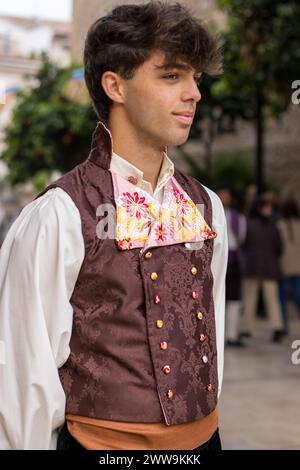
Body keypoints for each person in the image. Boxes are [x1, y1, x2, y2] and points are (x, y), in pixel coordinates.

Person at [0, 1, 228, 450]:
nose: (194, 93)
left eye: (195, 79)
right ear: (115, 85)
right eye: (171, 75)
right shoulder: (61, 214)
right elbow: (23, 380)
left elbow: (210, 343)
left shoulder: (207, 206)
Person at [241, 196, 285, 342]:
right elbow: (279, 247)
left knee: (265, 299)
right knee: (257, 298)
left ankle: (275, 328)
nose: (269, 210)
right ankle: (249, 328)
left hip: (258, 267)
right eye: (266, 207)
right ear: (260, 209)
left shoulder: (254, 225)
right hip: (263, 268)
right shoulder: (270, 226)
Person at [215, 185, 246, 347]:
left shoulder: (238, 217)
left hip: (233, 260)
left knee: (234, 299)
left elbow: (242, 238)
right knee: (216, 297)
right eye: (222, 195)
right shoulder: (209, 212)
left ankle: (232, 335)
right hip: (215, 259)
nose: (224, 198)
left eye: (227, 195)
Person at [277, 199, 300, 334]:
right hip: (298, 266)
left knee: (282, 299)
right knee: (297, 296)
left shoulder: (279, 225)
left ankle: (284, 326)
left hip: (283, 266)